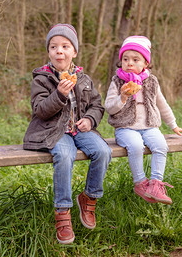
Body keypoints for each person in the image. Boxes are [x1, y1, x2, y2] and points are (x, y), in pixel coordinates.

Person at [23, 23, 112, 245]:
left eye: (65, 46)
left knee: (102, 151)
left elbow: (97, 105)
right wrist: (59, 95)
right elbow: (40, 110)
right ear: (49, 52)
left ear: (74, 52)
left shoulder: (83, 78)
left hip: (79, 129)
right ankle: (62, 211)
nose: (59, 51)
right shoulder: (41, 79)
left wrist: (90, 120)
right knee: (64, 156)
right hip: (53, 131)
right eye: (53, 47)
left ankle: (89, 197)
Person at [104, 35, 182, 205]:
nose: (130, 63)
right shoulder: (117, 81)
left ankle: (156, 184)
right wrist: (123, 97)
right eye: (125, 59)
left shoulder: (152, 81)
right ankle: (140, 182)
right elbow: (109, 107)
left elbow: (162, 104)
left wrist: (173, 124)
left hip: (149, 126)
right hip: (125, 128)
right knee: (135, 146)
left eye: (135, 59)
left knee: (161, 145)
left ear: (145, 63)